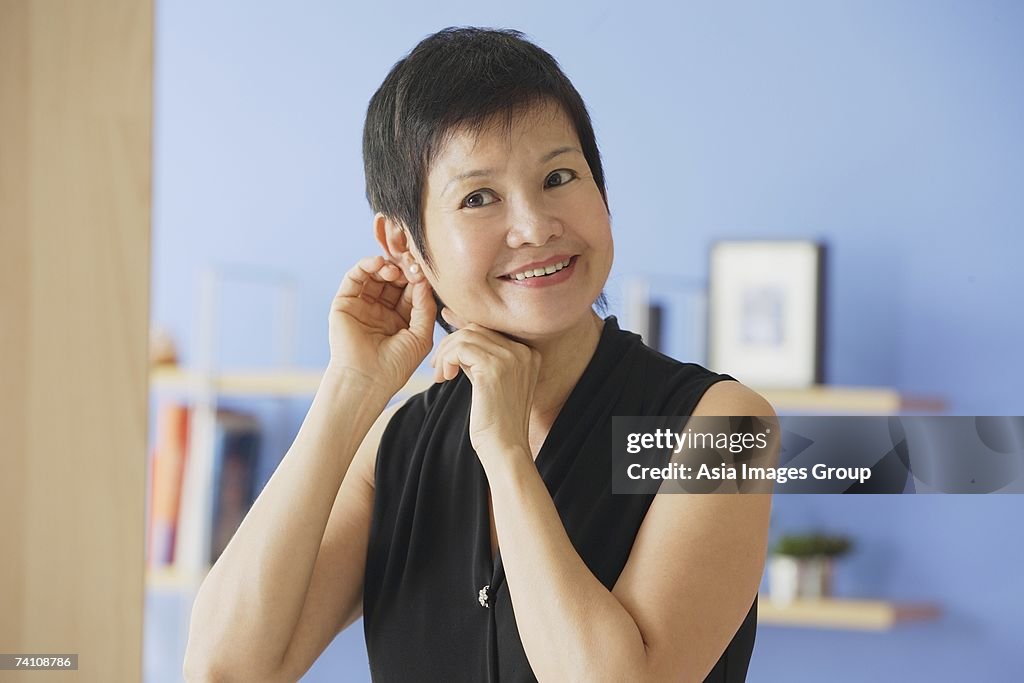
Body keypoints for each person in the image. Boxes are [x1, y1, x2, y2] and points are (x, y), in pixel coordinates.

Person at [184, 27, 776, 683]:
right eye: (478, 197)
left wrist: (506, 454)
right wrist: (350, 387)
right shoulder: (399, 446)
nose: (534, 225)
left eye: (558, 176)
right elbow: (223, 667)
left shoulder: (726, 428)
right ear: (404, 242)